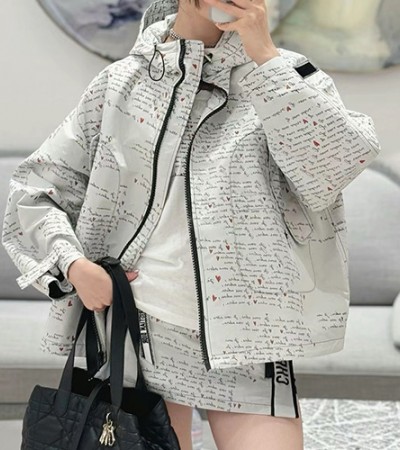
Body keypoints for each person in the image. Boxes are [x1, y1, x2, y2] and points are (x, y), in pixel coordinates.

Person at [2, 0, 381, 448]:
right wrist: (74, 266)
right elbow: (35, 192)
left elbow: (333, 169)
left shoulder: (286, 74)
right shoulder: (123, 83)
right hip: (138, 333)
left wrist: (264, 56)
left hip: (250, 341)